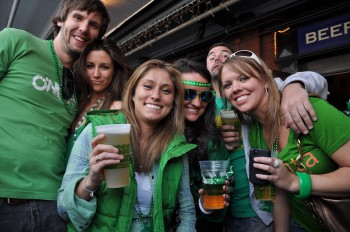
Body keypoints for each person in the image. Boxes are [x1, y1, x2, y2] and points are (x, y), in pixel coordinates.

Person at [0, 0, 109, 230]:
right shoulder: (17, 41)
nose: (84, 28)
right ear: (61, 20)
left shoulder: (81, 84)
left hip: (53, 204)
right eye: (78, 18)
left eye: (93, 24)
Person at [218, 50, 350, 232]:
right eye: (227, 85)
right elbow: (279, 190)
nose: (235, 88)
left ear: (265, 79)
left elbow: (289, 183)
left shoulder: (310, 110)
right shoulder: (254, 132)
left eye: (244, 78)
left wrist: (297, 182)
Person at [57, 59, 197, 231]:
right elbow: (63, 210)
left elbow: (187, 212)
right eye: (147, 86)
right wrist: (91, 181)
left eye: (166, 90)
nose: (155, 95)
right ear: (132, 93)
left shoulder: (175, 146)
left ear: (174, 100)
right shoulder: (98, 132)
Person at [173, 58, 229, 231]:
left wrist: (207, 206)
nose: (197, 104)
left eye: (204, 96)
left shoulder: (212, 137)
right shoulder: (152, 133)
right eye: (188, 94)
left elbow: (217, 210)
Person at [66, 37, 133, 156]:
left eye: (104, 67)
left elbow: (116, 162)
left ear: (115, 71)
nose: (96, 74)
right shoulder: (78, 102)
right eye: (90, 66)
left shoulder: (116, 108)